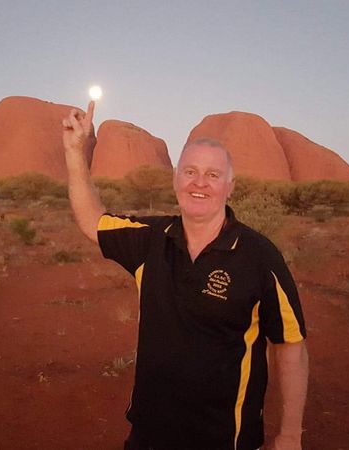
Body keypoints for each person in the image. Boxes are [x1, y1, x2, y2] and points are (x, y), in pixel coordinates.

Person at [62, 101, 308, 450]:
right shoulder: (150, 239)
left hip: (226, 440)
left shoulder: (259, 256)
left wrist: (290, 435)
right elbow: (92, 221)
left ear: (230, 186)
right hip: (149, 436)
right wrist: (75, 153)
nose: (200, 184)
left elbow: (291, 347)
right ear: (176, 178)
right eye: (190, 172)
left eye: (212, 175)